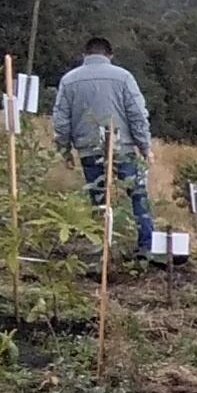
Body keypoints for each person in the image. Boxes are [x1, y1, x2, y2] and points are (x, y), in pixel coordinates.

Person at [51, 35, 153, 254]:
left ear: (85, 55)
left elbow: (61, 119)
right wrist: (145, 147)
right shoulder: (124, 77)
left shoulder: (68, 80)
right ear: (110, 55)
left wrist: (64, 150)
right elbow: (137, 115)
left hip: (88, 149)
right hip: (123, 148)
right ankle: (146, 245)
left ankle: (102, 248)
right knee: (137, 195)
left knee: (98, 199)